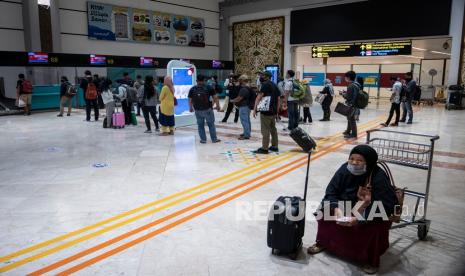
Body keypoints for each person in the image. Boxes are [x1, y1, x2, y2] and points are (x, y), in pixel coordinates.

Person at [307, 145, 398, 274]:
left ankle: (370, 260)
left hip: (370, 211)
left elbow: (386, 206)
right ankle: (324, 242)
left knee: (373, 229)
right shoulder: (344, 169)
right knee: (324, 212)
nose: (354, 163)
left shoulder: (378, 177)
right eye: (351, 159)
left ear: (369, 162)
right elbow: (331, 192)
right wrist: (337, 208)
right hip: (344, 206)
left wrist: (359, 218)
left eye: (360, 160)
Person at [253, 71, 280, 154]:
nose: (261, 76)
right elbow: (278, 99)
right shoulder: (275, 85)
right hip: (273, 111)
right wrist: (277, 111)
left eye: (263, 75)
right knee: (273, 129)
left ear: (267, 77)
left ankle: (264, 148)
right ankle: (275, 146)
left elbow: (259, 97)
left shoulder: (265, 85)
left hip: (266, 111)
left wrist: (255, 109)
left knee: (265, 130)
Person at [188, 74, 221, 144]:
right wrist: (218, 106)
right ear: (204, 80)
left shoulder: (193, 89)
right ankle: (214, 139)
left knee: (200, 125)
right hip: (207, 109)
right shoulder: (209, 87)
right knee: (211, 125)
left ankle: (203, 140)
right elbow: (215, 97)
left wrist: (190, 108)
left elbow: (190, 100)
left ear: (196, 80)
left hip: (197, 110)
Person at [230, 74, 252, 140]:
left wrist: (232, 100)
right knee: (247, 120)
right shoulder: (248, 87)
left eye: (240, 80)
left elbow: (239, 98)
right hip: (247, 106)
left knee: (244, 121)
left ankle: (246, 135)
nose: (239, 81)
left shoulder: (243, 89)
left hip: (244, 106)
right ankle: (247, 132)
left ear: (242, 80)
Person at [342, 71, 360, 139]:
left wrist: (343, 94)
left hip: (351, 104)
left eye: (346, 77)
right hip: (355, 104)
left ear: (348, 77)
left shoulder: (351, 85)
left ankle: (354, 134)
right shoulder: (357, 84)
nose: (345, 78)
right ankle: (348, 131)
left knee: (351, 119)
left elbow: (348, 97)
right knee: (349, 118)